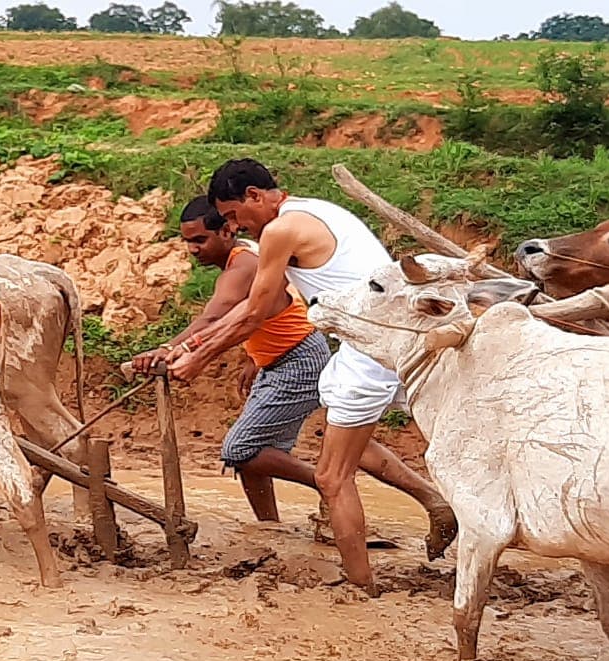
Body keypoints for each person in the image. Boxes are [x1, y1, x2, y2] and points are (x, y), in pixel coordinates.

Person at [164, 159, 458, 596]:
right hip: (382, 339)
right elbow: (250, 308)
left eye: (231, 216)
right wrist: (196, 348)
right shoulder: (311, 211)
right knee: (341, 446)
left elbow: (254, 313)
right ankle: (434, 502)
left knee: (330, 477)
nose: (234, 225)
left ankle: (360, 586)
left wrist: (198, 357)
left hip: (373, 345)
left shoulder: (279, 232)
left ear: (254, 197)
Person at [133, 196, 330, 523]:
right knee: (256, 453)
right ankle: (269, 526)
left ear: (226, 231)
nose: (193, 249)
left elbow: (213, 319)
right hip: (281, 358)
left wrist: (168, 348)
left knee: (241, 450)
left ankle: (329, 484)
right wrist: (255, 356)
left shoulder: (241, 266)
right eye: (188, 242)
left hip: (298, 361)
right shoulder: (252, 253)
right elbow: (273, 305)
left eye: (200, 240)